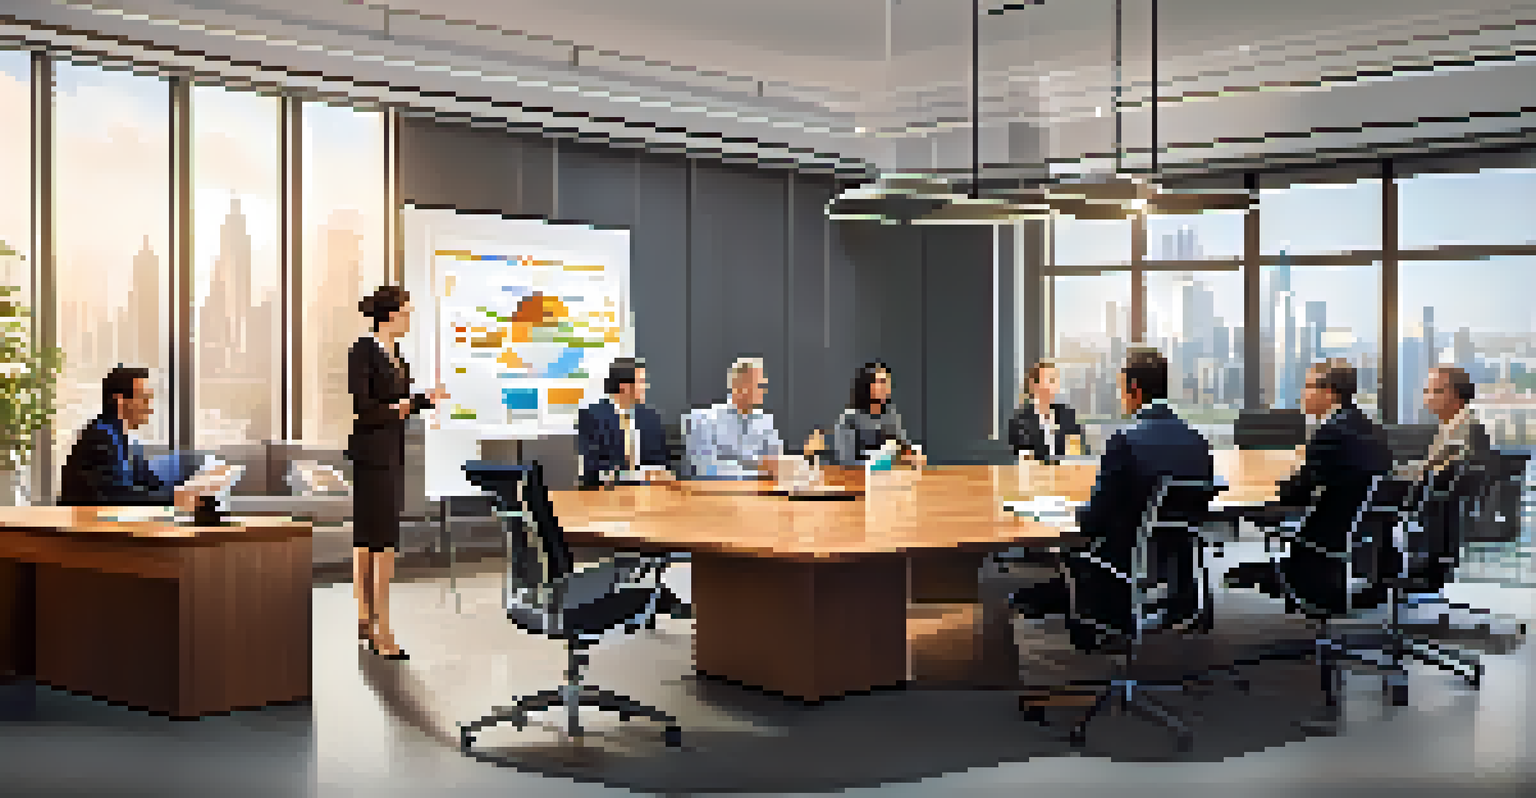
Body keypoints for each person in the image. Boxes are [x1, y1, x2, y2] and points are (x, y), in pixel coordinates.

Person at [981, 348, 1213, 685]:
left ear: (1133, 389)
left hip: (1116, 575)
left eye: (1121, 388)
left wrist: (1074, 511)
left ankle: (1061, 668)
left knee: (1029, 593)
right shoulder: (1198, 443)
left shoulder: (1126, 441)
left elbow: (1092, 523)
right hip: (1171, 580)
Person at [1223, 359, 1394, 617]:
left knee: (1237, 569)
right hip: (1354, 541)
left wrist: (1280, 482)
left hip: (1318, 553)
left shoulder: (1330, 434)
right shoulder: (1372, 430)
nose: (1303, 394)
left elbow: (1296, 493)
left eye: (1308, 386)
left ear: (1329, 391)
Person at [347, 285, 449, 660]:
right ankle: (380, 629)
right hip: (371, 456)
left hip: (391, 453)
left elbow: (397, 404)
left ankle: (365, 618)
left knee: (373, 539)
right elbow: (366, 409)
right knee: (379, 541)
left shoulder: (397, 356)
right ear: (389, 315)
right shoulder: (363, 350)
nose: (409, 318)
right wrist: (405, 406)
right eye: (406, 311)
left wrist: (423, 400)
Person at [59, 365, 225, 509]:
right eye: (144, 399)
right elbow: (118, 495)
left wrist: (192, 490)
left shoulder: (124, 440)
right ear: (120, 401)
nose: (149, 409)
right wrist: (175, 497)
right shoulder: (99, 439)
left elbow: (149, 482)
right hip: (92, 538)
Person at [683, 357, 785, 478]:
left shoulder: (766, 421)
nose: (764, 391)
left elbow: (776, 466)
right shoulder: (703, 420)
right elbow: (706, 470)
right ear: (738, 386)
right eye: (760, 385)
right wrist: (756, 470)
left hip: (760, 494)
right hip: (718, 494)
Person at [577, 357, 670, 487]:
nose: (645, 387)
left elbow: (661, 461)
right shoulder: (592, 416)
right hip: (606, 492)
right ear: (624, 387)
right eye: (641, 382)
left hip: (647, 492)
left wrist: (660, 473)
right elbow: (593, 467)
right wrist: (638, 475)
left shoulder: (650, 417)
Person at [829, 361, 926, 468]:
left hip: (889, 479)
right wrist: (883, 461)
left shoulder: (891, 415)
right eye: (881, 382)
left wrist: (913, 455)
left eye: (887, 382)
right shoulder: (849, 418)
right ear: (867, 385)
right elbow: (846, 460)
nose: (886, 387)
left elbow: (903, 446)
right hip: (858, 479)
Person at [1007, 359, 1085, 462]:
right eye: (1051, 380)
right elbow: (1025, 460)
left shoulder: (1067, 414)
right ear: (1035, 385)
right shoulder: (1021, 420)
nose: (1056, 386)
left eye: (1056, 381)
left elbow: (1077, 450)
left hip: (1065, 474)